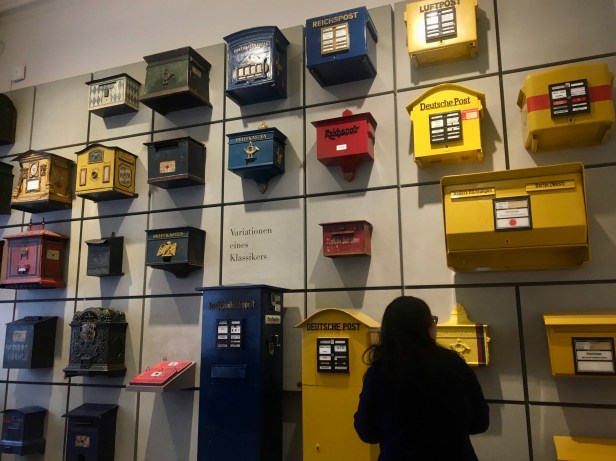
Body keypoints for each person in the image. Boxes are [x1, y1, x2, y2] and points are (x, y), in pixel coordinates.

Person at [354, 296, 489, 461]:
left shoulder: (381, 371)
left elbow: (367, 431)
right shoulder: (454, 364)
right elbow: (480, 422)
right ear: (427, 327)